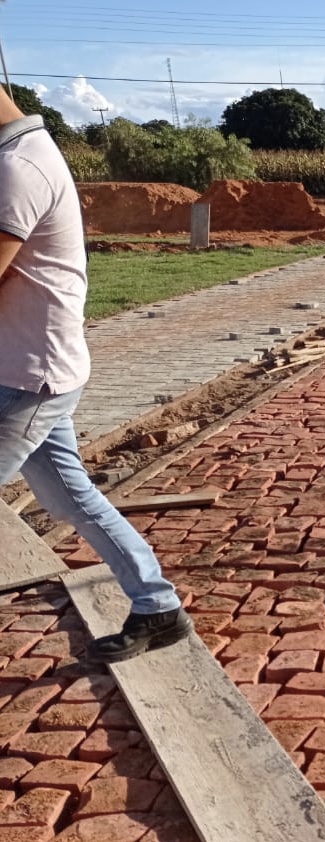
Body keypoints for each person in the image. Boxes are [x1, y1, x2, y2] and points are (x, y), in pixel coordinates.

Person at [0, 86, 191, 662]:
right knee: (72, 497)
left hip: (30, 375)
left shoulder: (19, 167)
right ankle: (157, 605)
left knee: (72, 497)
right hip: (29, 365)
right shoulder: (19, 157)